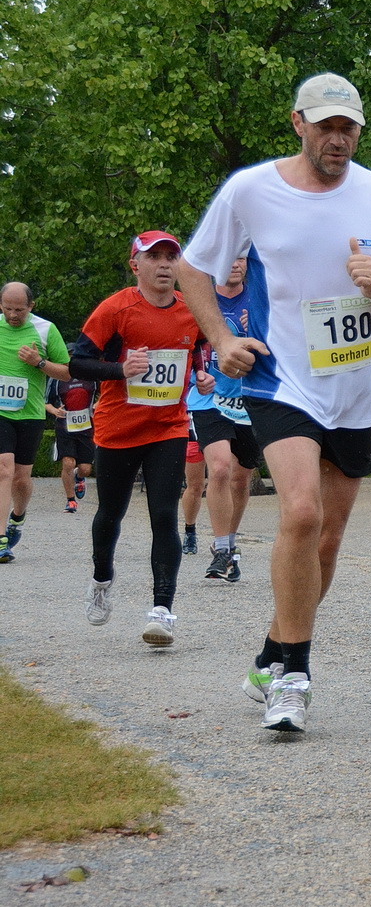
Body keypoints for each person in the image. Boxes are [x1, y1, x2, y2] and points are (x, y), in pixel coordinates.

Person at [179, 72, 371, 733]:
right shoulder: (251, 190)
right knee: (301, 512)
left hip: (354, 390)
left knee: (327, 538)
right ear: (298, 123)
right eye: (326, 126)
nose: (338, 138)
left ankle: (270, 649)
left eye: (348, 127)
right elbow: (192, 267)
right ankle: (294, 675)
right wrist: (223, 337)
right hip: (280, 380)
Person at [67, 234, 213, 644]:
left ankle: (162, 610)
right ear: (136, 265)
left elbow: (199, 344)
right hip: (118, 427)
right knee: (109, 514)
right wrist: (120, 369)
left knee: (163, 515)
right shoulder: (115, 308)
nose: (165, 265)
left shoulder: (192, 310)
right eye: (155, 258)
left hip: (167, 426)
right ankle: (101, 581)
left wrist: (202, 371)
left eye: (171, 257)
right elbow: (77, 362)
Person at [189, 257, 262, 583]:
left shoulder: (261, 299)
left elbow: (286, 349)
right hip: (208, 397)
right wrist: (196, 376)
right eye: (227, 256)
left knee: (240, 479)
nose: (233, 263)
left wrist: (259, 329)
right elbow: (182, 346)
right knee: (218, 468)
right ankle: (220, 549)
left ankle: (229, 545)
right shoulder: (200, 300)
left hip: (249, 400)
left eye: (240, 257)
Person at [0, 282, 72, 563]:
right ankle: (1, 540)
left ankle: (17, 517)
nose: (13, 315)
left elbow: (66, 372)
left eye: (19, 309)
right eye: (7, 309)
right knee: (3, 470)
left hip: (29, 413)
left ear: (31, 306)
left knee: (20, 477)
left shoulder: (45, 330)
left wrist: (39, 363)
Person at [45, 374, 96, 514]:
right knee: (68, 463)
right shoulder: (56, 378)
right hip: (64, 425)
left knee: (85, 469)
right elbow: (45, 401)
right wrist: (55, 411)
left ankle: (79, 477)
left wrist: (99, 404)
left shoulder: (90, 375)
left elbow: (104, 394)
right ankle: (70, 500)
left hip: (87, 426)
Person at [180, 422, 205, 554]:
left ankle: (225, 538)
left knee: (224, 481)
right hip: (194, 430)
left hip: (224, 427)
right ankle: (190, 531)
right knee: (195, 486)